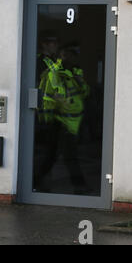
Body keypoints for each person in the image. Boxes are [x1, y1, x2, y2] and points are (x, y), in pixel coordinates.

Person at [34, 32, 90, 195]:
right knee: (63, 154)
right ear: (44, 44)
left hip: (61, 117)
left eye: (56, 44)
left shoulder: (63, 67)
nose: (55, 47)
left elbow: (78, 90)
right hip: (52, 116)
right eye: (52, 43)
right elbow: (47, 89)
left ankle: (37, 183)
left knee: (52, 153)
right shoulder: (43, 63)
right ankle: (78, 186)